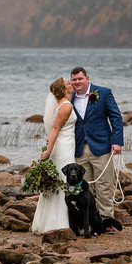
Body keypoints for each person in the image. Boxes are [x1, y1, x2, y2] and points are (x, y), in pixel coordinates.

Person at [70, 66, 123, 228]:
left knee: (104, 186)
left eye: (80, 79)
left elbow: (116, 117)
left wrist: (117, 141)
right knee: (83, 189)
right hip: (79, 148)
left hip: (101, 147)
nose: (77, 82)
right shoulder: (69, 97)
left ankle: (107, 220)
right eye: (74, 80)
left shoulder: (103, 93)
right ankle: (86, 220)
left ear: (87, 78)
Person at [31, 77, 77, 234]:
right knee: (63, 182)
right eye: (68, 83)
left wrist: (49, 144)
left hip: (62, 145)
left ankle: (49, 222)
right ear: (64, 90)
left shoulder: (58, 105)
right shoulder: (66, 106)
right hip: (63, 148)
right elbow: (56, 128)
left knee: (57, 181)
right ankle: (59, 224)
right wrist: (48, 150)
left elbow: (52, 129)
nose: (72, 84)